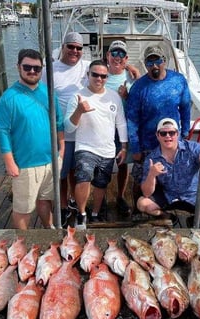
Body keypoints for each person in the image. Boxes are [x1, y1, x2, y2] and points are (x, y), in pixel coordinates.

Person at [0, 49, 65, 230]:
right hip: (25, 164)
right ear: (18, 67)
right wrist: (9, 162)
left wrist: (62, 148)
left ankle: (48, 229)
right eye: (27, 67)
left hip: (51, 161)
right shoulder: (8, 98)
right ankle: (23, 241)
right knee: (23, 209)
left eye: (37, 68)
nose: (32, 71)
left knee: (45, 200)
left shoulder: (49, 92)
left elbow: (58, 122)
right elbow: (2, 131)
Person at [125, 44, 192, 209]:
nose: (154, 66)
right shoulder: (138, 87)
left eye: (158, 61)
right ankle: (137, 210)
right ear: (145, 64)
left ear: (165, 61)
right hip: (147, 144)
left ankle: (168, 208)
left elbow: (185, 108)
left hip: (172, 140)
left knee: (170, 177)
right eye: (149, 62)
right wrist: (135, 148)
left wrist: (184, 134)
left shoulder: (178, 80)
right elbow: (132, 120)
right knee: (141, 178)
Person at [65, 60, 128, 230]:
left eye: (103, 76)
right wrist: (79, 111)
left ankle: (95, 213)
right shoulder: (78, 96)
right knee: (83, 177)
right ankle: (81, 214)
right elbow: (68, 127)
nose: (99, 78)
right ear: (88, 75)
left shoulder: (113, 96)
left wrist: (123, 147)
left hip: (107, 149)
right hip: (85, 147)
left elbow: (121, 123)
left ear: (107, 77)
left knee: (101, 183)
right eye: (95, 74)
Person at [137, 118, 200, 225]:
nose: (168, 136)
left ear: (178, 134)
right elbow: (146, 193)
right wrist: (151, 175)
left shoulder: (194, 148)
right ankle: (168, 217)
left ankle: (193, 221)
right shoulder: (151, 158)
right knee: (142, 204)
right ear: (157, 135)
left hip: (194, 193)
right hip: (168, 195)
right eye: (163, 133)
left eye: (172, 132)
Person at [41, 32, 90, 227]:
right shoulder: (49, 70)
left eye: (79, 48)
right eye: (71, 46)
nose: (74, 51)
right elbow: (40, 96)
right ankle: (62, 205)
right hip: (60, 132)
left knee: (74, 172)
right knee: (61, 172)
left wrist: (132, 70)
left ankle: (72, 201)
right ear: (62, 47)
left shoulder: (87, 67)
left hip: (82, 132)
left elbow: (110, 70)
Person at [105, 40, 140, 217]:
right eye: (114, 53)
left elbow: (139, 101)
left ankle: (119, 196)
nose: (117, 57)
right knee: (101, 165)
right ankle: (101, 197)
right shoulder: (99, 73)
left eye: (121, 55)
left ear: (126, 59)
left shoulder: (132, 78)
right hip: (103, 129)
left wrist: (126, 97)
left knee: (123, 164)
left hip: (123, 128)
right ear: (108, 56)